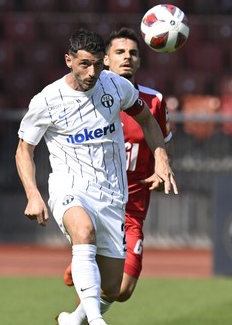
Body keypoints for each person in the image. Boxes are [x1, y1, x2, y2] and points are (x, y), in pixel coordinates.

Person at [15, 28, 178, 325]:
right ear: (69, 60)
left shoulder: (115, 87)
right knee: (83, 231)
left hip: (112, 195)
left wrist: (161, 156)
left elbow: (147, 121)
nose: (92, 72)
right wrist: (33, 194)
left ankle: (72, 319)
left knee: (115, 288)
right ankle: (96, 320)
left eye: (97, 65)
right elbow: (24, 150)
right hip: (70, 188)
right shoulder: (48, 100)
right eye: (84, 64)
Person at [63, 27, 174, 306]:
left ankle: (83, 268)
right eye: (120, 52)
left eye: (133, 53)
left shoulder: (154, 101)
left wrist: (163, 164)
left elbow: (160, 138)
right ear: (106, 60)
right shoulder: (87, 96)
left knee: (121, 290)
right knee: (106, 285)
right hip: (96, 200)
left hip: (132, 207)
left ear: (139, 61)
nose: (127, 57)